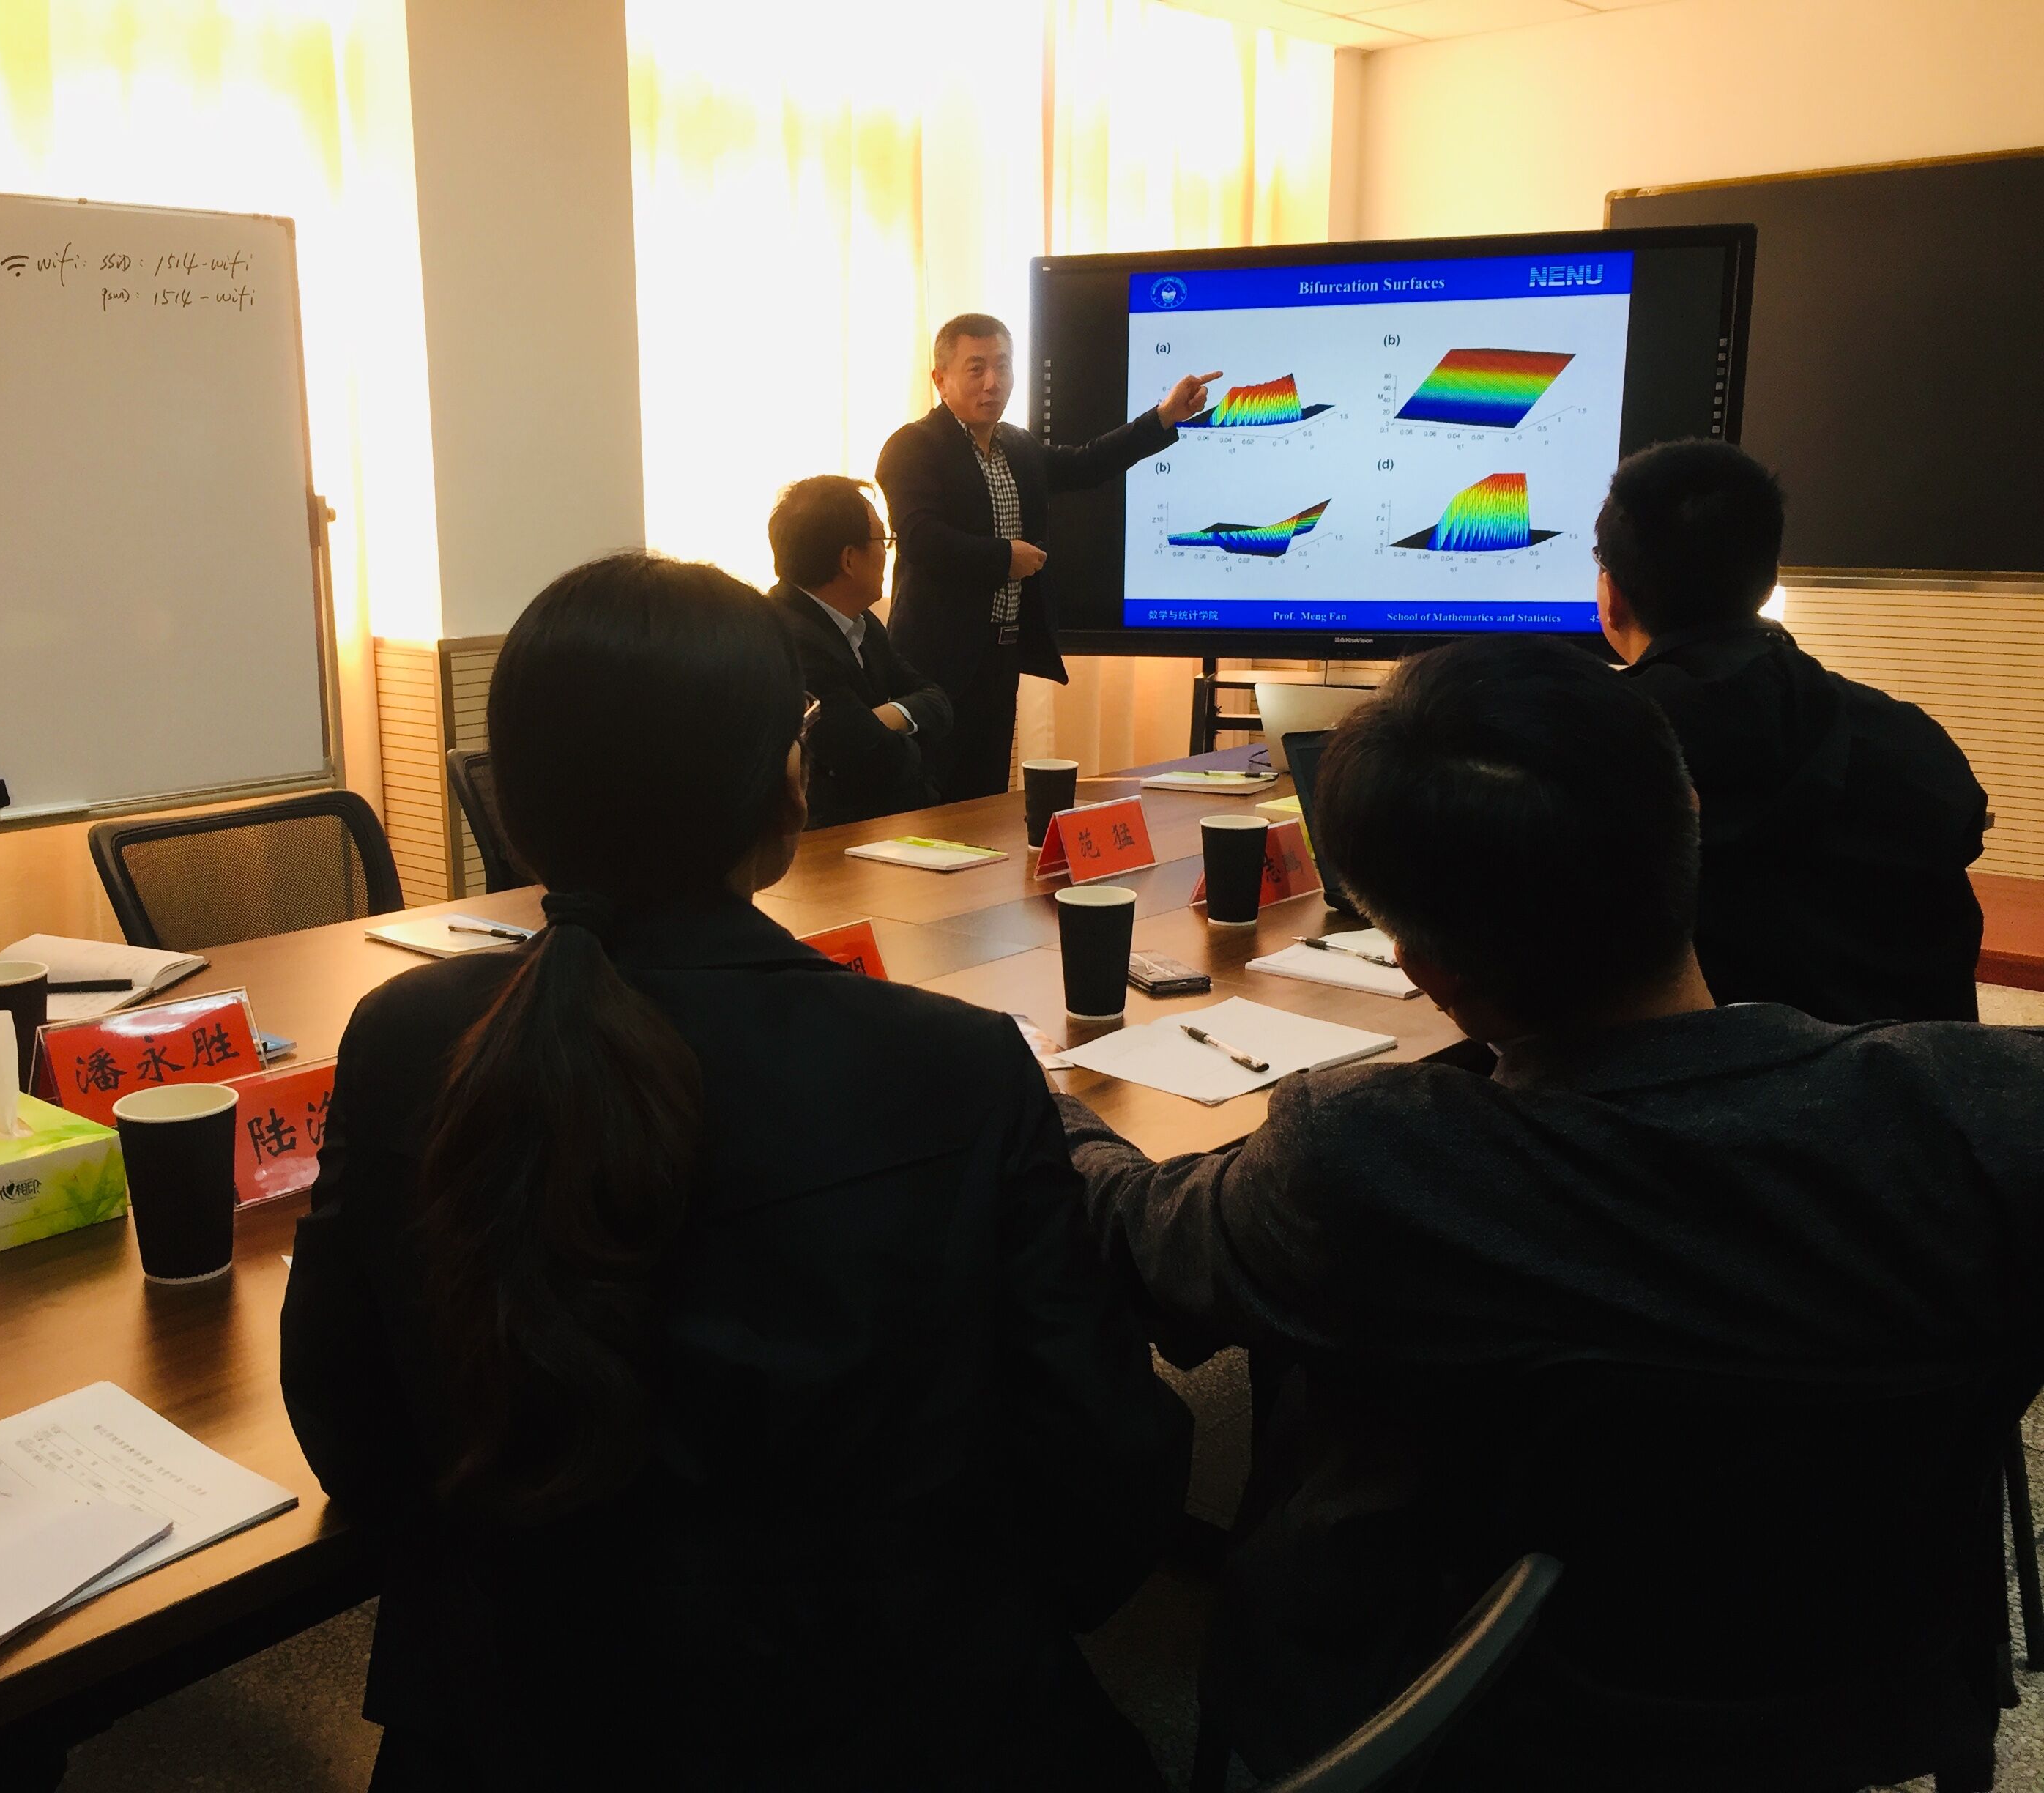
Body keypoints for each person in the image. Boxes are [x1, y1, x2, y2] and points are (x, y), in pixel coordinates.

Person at [1055, 636, 2044, 1786]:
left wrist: (1044, 1108)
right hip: (1879, 1681)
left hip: (1460, 1710)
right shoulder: (1995, 1115)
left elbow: (1141, 1237)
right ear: (1687, 822)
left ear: (1420, 966)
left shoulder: (1368, 1165)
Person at [280, 553, 1189, 1790]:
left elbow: (351, 1436)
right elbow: (1102, 1473)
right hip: (895, 1729)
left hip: (510, 1728)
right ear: (788, 780)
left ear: (519, 803)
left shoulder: (405, 1039)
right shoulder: (951, 1067)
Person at [1594, 439, 1988, 1022]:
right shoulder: (1908, 735)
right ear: (1768, 578)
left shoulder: (1592, 747)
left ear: (1612, 598)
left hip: (1694, 1077)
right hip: (1921, 1072)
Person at [877, 313, 1217, 800]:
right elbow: (920, 538)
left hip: (1001, 655)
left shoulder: (1016, 445)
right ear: (940, 379)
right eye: (976, 369)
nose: (993, 382)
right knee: (929, 796)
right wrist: (1003, 558)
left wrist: (1162, 417)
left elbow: (1087, 463)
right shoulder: (913, 446)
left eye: (1003, 366)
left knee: (986, 798)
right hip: (935, 659)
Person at [767, 475, 954, 828]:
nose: (888, 551)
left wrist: (882, 719)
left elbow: (938, 701)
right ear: (849, 560)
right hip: (829, 838)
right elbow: (875, 761)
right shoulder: (790, 640)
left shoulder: (861, 622)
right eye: (883, 540)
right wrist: (885, 732)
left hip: (879, 826)